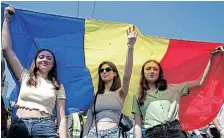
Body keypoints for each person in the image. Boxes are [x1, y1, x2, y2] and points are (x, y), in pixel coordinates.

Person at [2, 5, 67, 138]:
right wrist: (6, 20)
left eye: (49, 58)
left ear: (53, 64)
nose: (45, 60)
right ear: (35, 61)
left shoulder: (58, 86)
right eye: (41, 57)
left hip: (45, 127)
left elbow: (61, 117)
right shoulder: (24, 75)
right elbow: (7, 50)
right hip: (19, 125)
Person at [132, 46, 224, 138]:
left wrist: (212, 58)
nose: (152, 71)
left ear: (159, 73)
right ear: (143, 73)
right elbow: (137, 124)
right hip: (153, 134)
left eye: (155, 69)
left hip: (174, 131)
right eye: (148, 69)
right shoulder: (138, 96)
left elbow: (200, 82)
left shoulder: (173, 89)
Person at [83, 26, 137, 138]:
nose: (104, 71)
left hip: (113, 133)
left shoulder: (120, 93)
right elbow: (89, 118)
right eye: (101, 70)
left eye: (108, 69)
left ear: (115, 73)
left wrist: (130, 46)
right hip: (94, 133)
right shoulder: (96, 95)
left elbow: (127, 75)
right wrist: (85, 135)